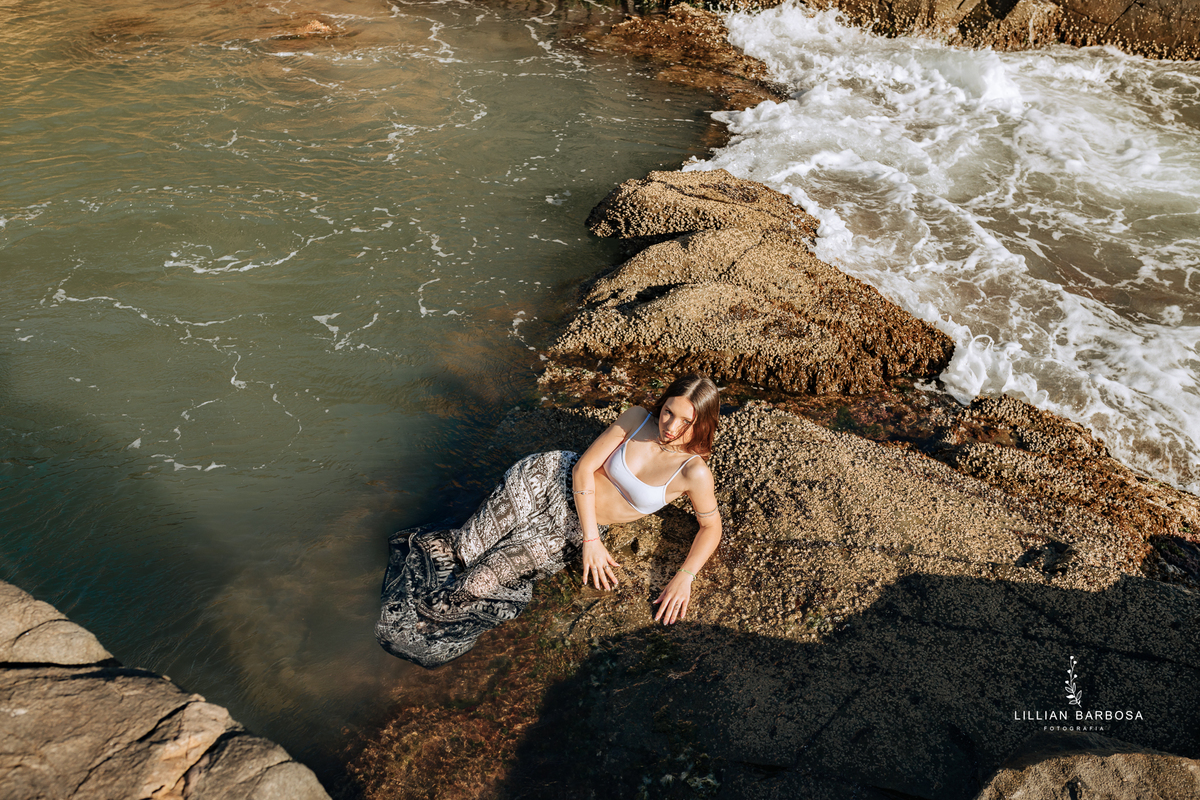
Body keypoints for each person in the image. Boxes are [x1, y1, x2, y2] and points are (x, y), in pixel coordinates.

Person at [376, 374, 723, 669]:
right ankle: (430, 556)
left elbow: (711, 527)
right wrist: (592, 541)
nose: (670, 426)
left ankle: (410, 630)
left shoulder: (693, 472)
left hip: (568, 528)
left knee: (475, 586)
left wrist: (685, 577)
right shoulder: (636, 419)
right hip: (548, 479)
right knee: (465, 550)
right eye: (667, 412)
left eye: (685, 422)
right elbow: (584, 469)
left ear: (702, 424)